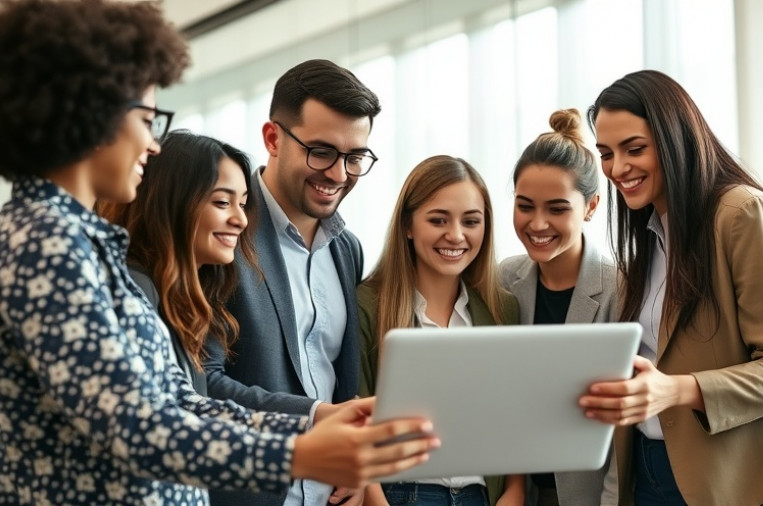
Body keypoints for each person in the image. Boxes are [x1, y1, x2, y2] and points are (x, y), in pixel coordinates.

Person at [0, 1, 437, 504]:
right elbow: (136, 428)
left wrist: (320, 420)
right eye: (147, 119)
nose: (154, 144)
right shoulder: (45, 244)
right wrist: (303, 456)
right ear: (90, 114)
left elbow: (183, 403)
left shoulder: (78, 243)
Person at [579, 69, 763, 505]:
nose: (617, 168)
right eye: (606, 153)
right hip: (653, 476)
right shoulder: (650, 238)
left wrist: (676, 389)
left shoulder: (743, 215)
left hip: (745, 482)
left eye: (634, 149)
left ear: (675, 139)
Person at [201, 59, 383, 506]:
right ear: (273, 138)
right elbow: (205, 382)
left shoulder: (347, 249)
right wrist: (317, 418)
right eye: (321, 152)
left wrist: (357, 463)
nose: (339, 174)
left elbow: (344, 382)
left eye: (355, 157)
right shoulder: (224, 233)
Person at [358, 155, 525, 506]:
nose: (456, 235)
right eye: (438, 220)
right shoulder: (368, 305)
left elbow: (512, 418)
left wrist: (514, 492)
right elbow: (354, 418)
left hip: (481, 495)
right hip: (401, 494)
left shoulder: (501, 309)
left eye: (471, 221)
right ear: (408, 225)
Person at [498, 109, 617, 506]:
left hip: (589, 495)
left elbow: (625, 425)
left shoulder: (621, 288)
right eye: (525, 205)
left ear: (591, 206)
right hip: (519, 492)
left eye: (557, 208)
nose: (537, 223)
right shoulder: (503, 281)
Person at [100, 131, 260, 396]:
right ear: (172, 203)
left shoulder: (183, 302)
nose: (241, 220)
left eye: (242, 204)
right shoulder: (134, 289)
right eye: (223, 202)